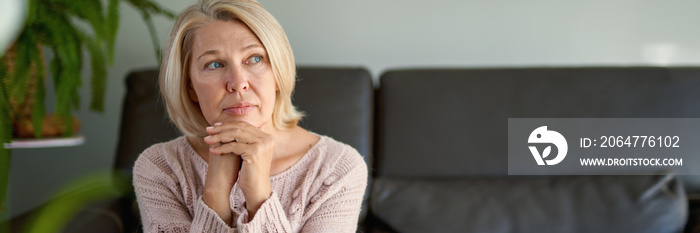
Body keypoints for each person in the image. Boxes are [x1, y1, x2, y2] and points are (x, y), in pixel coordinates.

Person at [132, 0, 368, 232]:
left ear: (278, 71)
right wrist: (215, 193)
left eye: (254, 59)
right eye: (214, 64)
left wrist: (259, 197)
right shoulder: (159, 169)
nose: (238, 83)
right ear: (190, 86)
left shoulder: (339, 168)